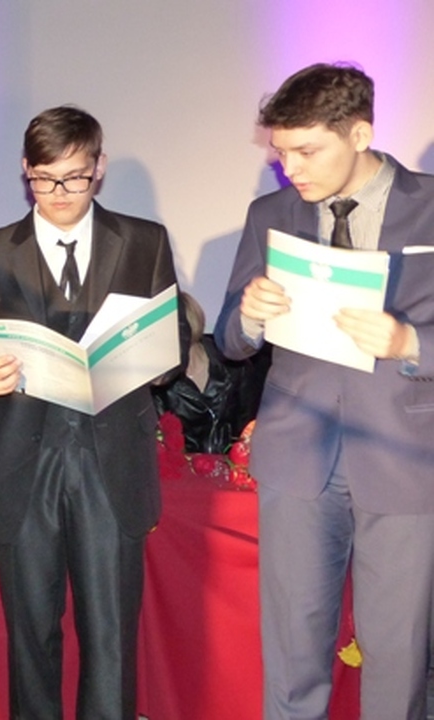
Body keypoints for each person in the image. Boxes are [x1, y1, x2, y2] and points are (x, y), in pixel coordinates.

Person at [0, 105, 181, 719]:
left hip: (112, 459)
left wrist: (159, 357)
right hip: (23, 459)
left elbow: (172, 334)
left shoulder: (145, 241)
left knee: (112, 639)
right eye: (45, 179)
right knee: (31, 637)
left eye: (74, 177)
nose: (59, 193)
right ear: (26, 170)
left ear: (99, 167)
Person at [215, 62, 434, 719]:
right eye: (281, 153)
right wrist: (249, 317)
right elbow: (230, 339)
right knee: (292, 654)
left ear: (360, 133)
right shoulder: (270, 214)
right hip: (296, 456)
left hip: (404, 454)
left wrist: (410, 343)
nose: (291, 170)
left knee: (397, 656)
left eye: (306, 152)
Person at [153, 292, 265, 453]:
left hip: (232, 462)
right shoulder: (158, 382)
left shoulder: (234, 365)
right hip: (182, 465)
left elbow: (249, 425)